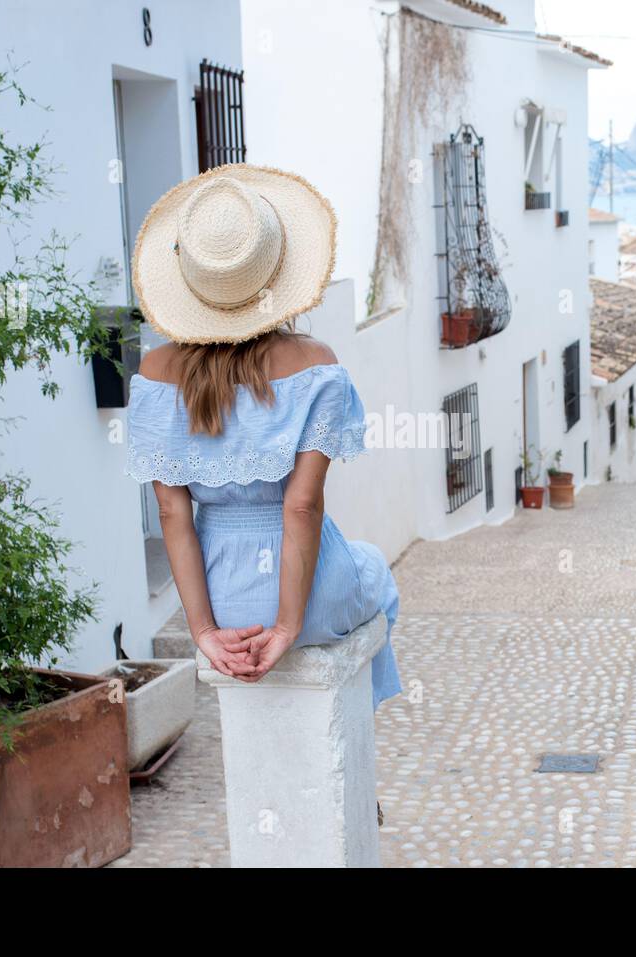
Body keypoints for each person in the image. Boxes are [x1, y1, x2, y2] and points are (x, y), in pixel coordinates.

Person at [123, 165, 400, 712]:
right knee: (377, 575)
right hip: (307, 593)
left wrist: (202, 631)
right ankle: (362, 763)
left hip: (223, 600)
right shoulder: (315, 366)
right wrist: (287, 624)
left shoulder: (154, 374)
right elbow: (301, 507)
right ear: (276, 272)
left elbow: (172, 513)